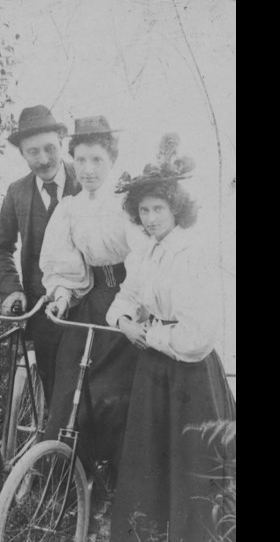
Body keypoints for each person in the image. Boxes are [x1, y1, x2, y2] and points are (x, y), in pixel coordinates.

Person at [106, 134, 236, 542]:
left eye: (158, 208)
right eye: (143, 210)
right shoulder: (146, 252)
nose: (150, 218)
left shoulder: (194, 252)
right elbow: (125, 297)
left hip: (191, 377)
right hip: (153, 373)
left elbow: (197, 336)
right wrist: (125, 322)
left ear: (176, 208)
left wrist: (152, 334)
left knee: (194, 475)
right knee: (150, 469)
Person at [39, 115, 142, 479]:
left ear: (111, 159)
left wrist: (132, 310)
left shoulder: (130, 204)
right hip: (92, 303)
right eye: (80, 160)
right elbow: (67, 267)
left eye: (96, 159)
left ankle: (118, 481)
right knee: (70, 385)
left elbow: (144, 261)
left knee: (113, 395)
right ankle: (66, 481)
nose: (87, 169)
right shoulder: (70, 208)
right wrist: (63, 296)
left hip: (133, 303)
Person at [0, 104, 80, 402]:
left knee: (88, 389)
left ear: (62, 142)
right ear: (22, 154)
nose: (43, 159)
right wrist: (11, 290)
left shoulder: (86, 180)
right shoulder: (17, 192)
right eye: (33, 152)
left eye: (50, 148)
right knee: (53, 390)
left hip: (87, 308)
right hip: (43, 311)